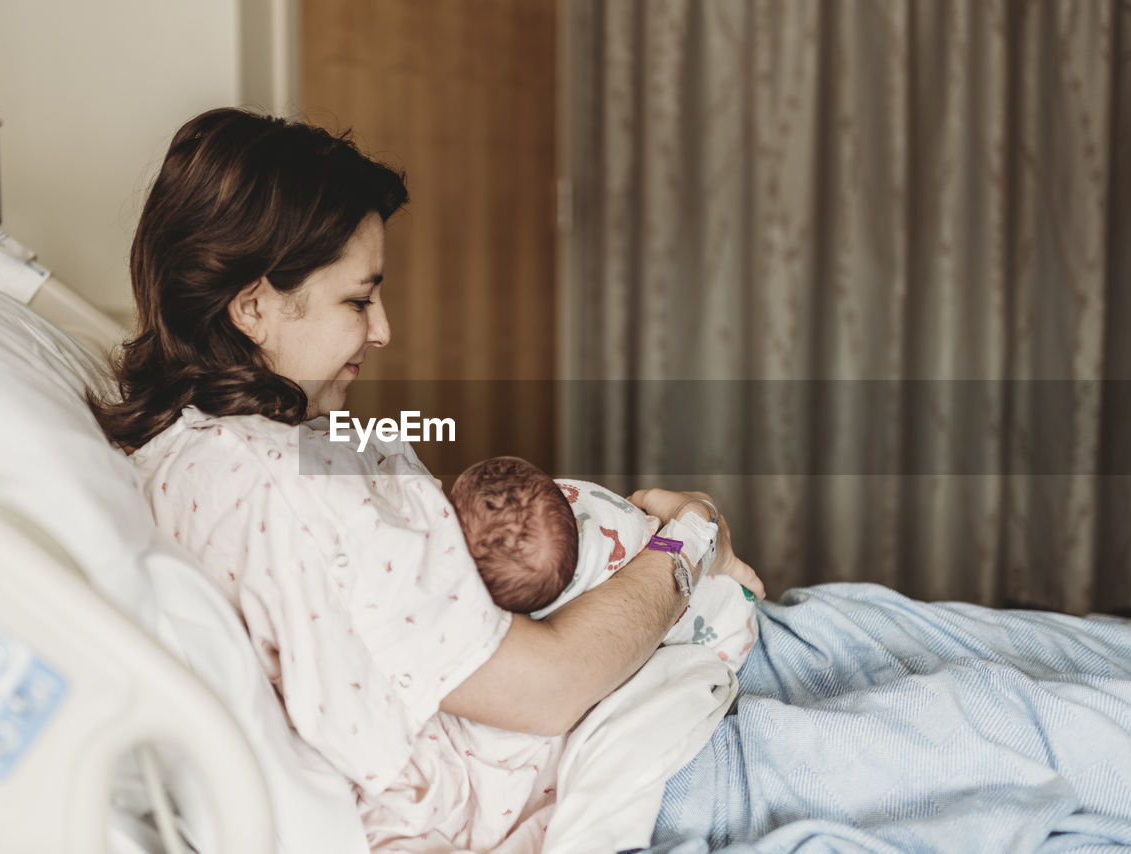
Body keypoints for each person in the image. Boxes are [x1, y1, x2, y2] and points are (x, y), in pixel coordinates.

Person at [90, 107, 765, 852]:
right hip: (641, 746)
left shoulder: (287, 437)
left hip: (646, 666)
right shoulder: (281, 482)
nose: (383, 331)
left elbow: (452, 506)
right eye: (358, 299)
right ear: (253, 305)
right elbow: (549, 688)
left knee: (889, 636)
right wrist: (690, 535)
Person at [451, 455, 758, 670]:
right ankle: (732, 566)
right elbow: (672, 509)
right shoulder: (563, 507)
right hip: (726, 625)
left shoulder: (537, 600)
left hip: (725, 630)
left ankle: (730, 565)